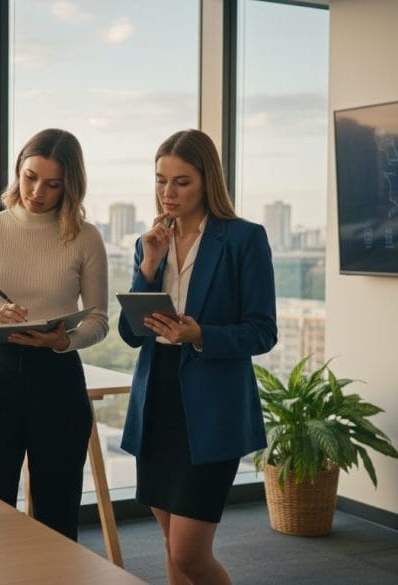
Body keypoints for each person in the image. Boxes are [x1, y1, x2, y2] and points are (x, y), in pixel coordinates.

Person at [118, 129, 277, 584]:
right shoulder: (149, 243)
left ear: (208, 180)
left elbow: (262, 331)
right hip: (157, 403)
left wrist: (200, 334)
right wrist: (149, 267)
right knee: (171, 549)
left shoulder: (243, 239)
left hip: (211, 409)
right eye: (161, 180)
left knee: (189, 554)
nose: (168, 193)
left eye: (181, 181)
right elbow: (132, 334)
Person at [0, 128, 108, 540]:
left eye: (52, 184)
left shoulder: (86, 237)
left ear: (70, 186)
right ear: (17, 172)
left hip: (58, 379)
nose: (37, 191)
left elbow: (99, 320)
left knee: (57, 519)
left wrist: (64, 340)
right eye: (29, 176)